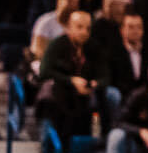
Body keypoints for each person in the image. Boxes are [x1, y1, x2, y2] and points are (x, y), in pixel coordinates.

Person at [38, 10, 102, 144]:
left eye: (88, 28)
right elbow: (44, 72)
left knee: (99, 102)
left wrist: (95, 84)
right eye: (79, 27)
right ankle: (48, 141)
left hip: (86, 91)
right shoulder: (57, 44)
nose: (84, 32)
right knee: (48, 98)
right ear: (69, 28)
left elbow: (106, 75)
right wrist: (71, 81)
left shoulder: (94, 47)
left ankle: (95, 140)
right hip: (61, 89)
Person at [104, 12, 148, 127]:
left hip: (145, 97)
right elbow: (112, 80)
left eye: (139, 27)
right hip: (123, 96)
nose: (135, 31)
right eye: (131, 27)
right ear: (122, 30)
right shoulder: (113, 53)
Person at [30, 0, 82, 69]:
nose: (73, 6)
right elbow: (37, 51)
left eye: (76, 2)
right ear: (59, 1)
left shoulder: (79, 24)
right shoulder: (45, 22)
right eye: (70, 1)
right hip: (46, 65)